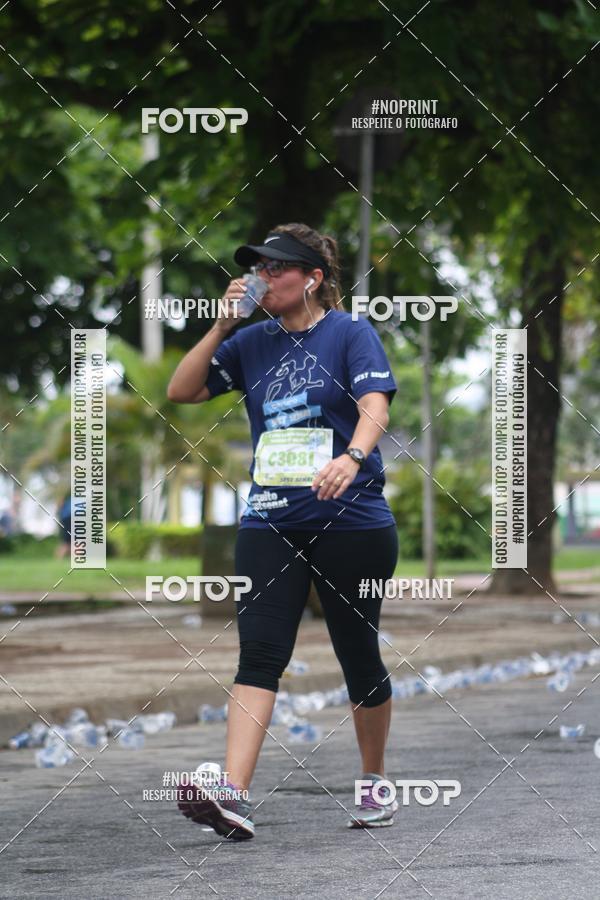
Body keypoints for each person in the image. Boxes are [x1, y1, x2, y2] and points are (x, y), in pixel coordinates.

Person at [167, 222, 399, 840]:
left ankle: (373, 780)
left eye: (276, 269)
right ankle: (233, 795)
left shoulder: (350, 333)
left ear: (313, 279)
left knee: (357, 652)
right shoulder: (251, 344)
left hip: (352, 520)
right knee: (260, 653)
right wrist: (221, 326)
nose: (261, 279)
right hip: (269, 519)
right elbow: (182, 389)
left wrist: (351, 457)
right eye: (257, 269)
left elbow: (376, 404)